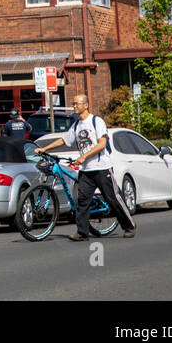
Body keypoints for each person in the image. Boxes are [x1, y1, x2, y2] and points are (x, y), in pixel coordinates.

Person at [34, 93, 136, 240]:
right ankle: (82, 232)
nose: (74, 106)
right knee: (82, 201)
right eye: (73, 103)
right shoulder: (76, 125)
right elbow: (63, 140)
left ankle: (129, 226)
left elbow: (101, 144)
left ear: (86, 105)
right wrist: (45, 149)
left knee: (112, 198)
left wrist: (84, 156)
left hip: (102, 168)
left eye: (77, 103)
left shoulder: (96, 121)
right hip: (86, 171)